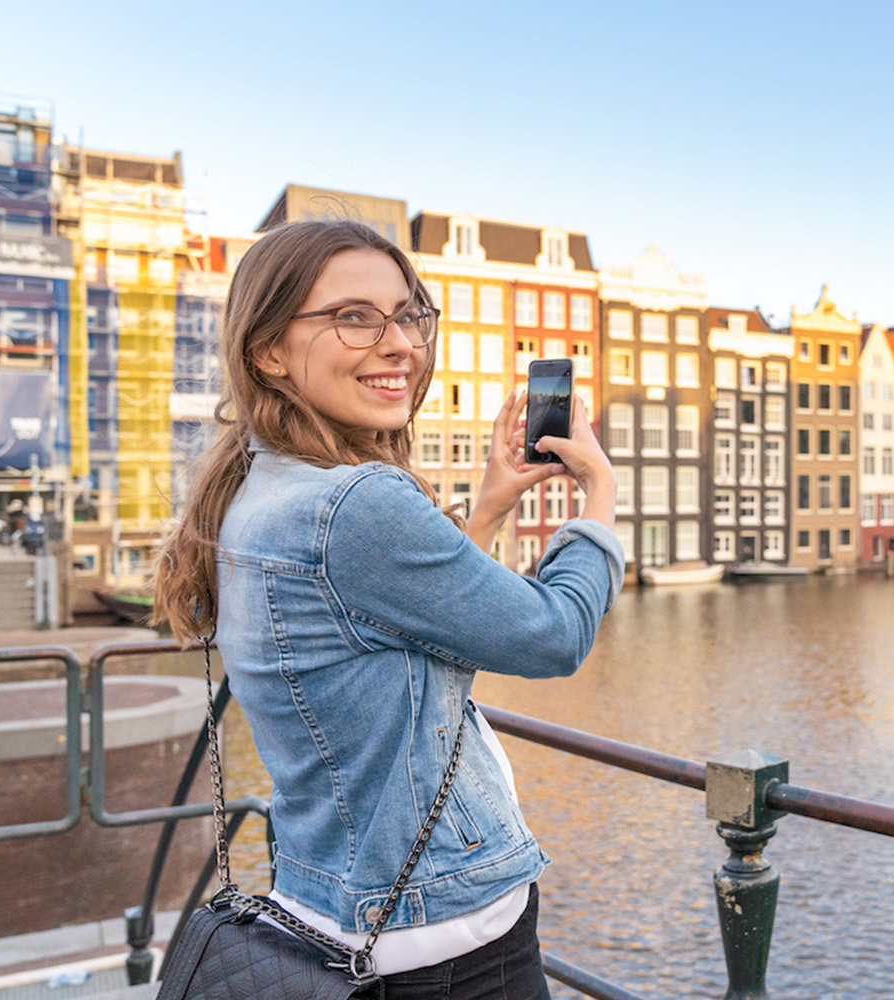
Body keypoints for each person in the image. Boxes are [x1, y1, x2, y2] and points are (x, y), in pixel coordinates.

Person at [153, 219, 622, 998]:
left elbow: (398, 636)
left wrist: (488, 510)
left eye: (408, 314)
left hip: (330, 900)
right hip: (444, 935)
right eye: (354, 317)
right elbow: (554, 637)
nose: (400, 342)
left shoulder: (253, 488)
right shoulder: (357, 503)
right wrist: (600, 496)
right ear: (268, 350)